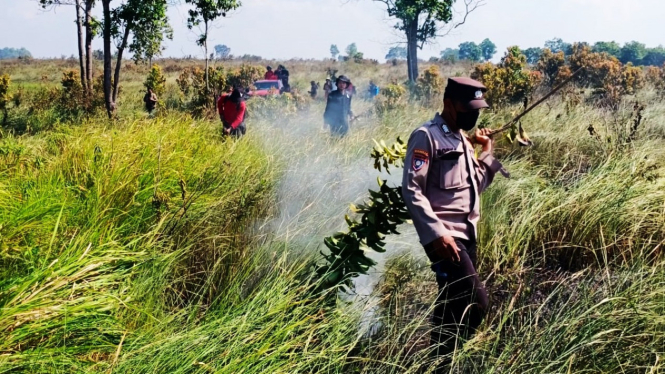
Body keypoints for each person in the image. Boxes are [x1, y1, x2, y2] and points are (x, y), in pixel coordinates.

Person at [401, 77, 508, 373]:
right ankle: (446, 359)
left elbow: (475, 186)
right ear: (449, 103)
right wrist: (438, 234)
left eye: (477, 109)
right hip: (446, 240)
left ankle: (440, 364)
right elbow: (411, 189)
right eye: (468, 108)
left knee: (451, 305)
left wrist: (487, 152)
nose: (473, 114)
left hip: (468, 235)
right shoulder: (427, 136)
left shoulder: (462, 139)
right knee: (477, 304)